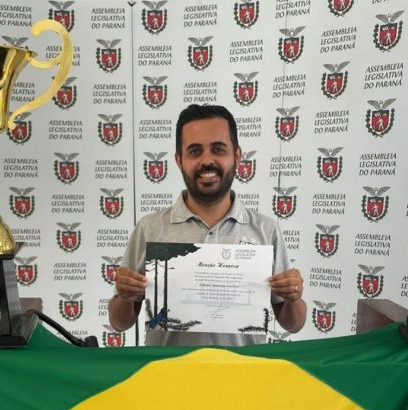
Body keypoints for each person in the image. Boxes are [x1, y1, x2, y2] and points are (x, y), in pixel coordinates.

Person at [108, 104, 306, 346]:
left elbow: (293, 324)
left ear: (237, 155)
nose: (207, 160)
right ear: (179, 160)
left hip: (243, 378)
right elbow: (119, 323)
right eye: (194, 151)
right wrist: (125, 297)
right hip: (169, 377)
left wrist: (294, 297)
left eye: (218, 149)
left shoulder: (266, 230)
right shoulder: (150, 229)